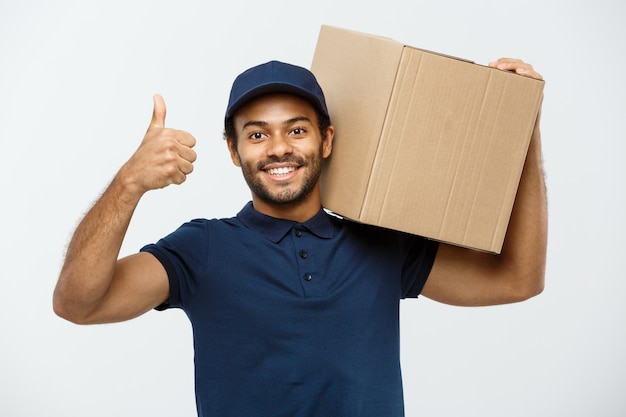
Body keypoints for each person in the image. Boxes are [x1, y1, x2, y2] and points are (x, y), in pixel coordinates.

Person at [53, 58, 547, 417]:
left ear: (325, 140)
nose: (278, 149)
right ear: (233, 150)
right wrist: (129, 182)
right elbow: (78, 303)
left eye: (296, 130)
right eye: (257, 134)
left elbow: (517, 280)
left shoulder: (380, 243)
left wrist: (524, 129)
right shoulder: (202, 250)